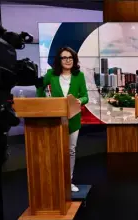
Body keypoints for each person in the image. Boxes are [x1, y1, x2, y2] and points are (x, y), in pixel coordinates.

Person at [36, 47, 88, 192]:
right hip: (56, 118)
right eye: (64, 58)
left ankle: (68, 181)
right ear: (59, 60)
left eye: (70, 57)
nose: (68, 60)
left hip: (73, 118)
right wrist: (43, 102)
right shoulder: (51, 74)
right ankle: (55, 180)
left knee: (71, 150)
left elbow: (85, 96)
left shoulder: (79, 75)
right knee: (56, 150)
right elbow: (40, 87)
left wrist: (79, 100)